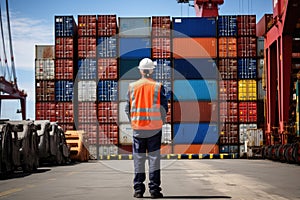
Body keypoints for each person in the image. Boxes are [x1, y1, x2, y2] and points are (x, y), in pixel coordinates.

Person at [125, 58, 168, 199]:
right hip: (154, 128)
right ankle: (154, 190)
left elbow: (127, 109)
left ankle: (138, 190)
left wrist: (133, 121)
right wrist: (161, 120)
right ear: (152, 71)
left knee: (139, 159)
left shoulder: (132, 86)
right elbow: (164, 108)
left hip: (138, 129)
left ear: (140, 71)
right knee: (154, 159)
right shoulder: (158, 86)